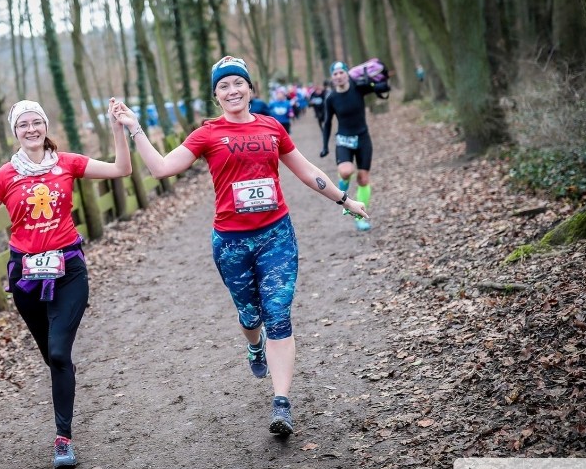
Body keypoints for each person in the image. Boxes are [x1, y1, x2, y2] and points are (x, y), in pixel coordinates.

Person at [110, 56, 368, 438]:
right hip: (231, 242)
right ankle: (254, 345)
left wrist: (344, 200)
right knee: (251, 317)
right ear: (216, 96)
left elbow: (306, 169)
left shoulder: (272, 127)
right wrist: (135, 130)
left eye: (238, 83)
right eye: (224, 86)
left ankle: (281, 402)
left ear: (250, 88)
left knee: (278, 313)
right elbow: (162, 168)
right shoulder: (208, 134)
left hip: (276, 236)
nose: (233, 91)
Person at [0, 99, 132, 469]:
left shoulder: (68, 163)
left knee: (59, 354)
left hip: (68, 270)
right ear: (14, 131)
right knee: (52, 356)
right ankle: (64, 379)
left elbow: (123, 169)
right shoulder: (3, 176)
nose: (31, 129)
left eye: (36, 122)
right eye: (23, 124)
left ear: (45, 126)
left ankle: (63, 440)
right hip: (25, 277)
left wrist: (117, 127)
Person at [320, 61, 389, 232]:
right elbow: (328, 122)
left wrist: (379, 86)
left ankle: (359, 217)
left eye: (341, 72)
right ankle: (342, 191)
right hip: (344, 140)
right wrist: (325, 146)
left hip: (363, 138)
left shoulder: (358, 87)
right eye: (335, 74)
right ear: (332, 78)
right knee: (346, 171)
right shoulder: (331, 98)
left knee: (363, 179)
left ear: (347, 74)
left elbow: (380, 88)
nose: (338, 76)